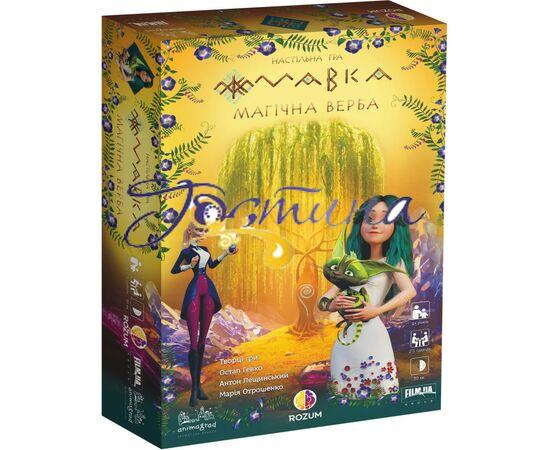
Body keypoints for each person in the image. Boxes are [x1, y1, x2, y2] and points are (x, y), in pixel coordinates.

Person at [318, 195, 417, 399]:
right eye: (369, 218)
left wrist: (376, 311)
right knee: (343, 393)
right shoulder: (350, 264)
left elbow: (409, 291)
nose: (375, 225)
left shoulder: (391, 262)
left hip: (373, 334)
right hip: (347, 337)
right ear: (360, 224)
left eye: (385, 219)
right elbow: (323, 301)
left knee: (378, 391)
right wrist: (332, 304)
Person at [171, 222, 237, 406]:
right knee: (193, 342)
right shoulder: (186, 252)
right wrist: (189, 265)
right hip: (194, 290)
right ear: (191, 231)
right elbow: (174, 270)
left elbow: (212, 265)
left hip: (208, 290)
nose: (203, 233)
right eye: (199, 230)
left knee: (202, 340)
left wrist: (226, 253)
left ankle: (199, 388)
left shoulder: (205, 249)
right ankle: (193, 391)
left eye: (204, 230)